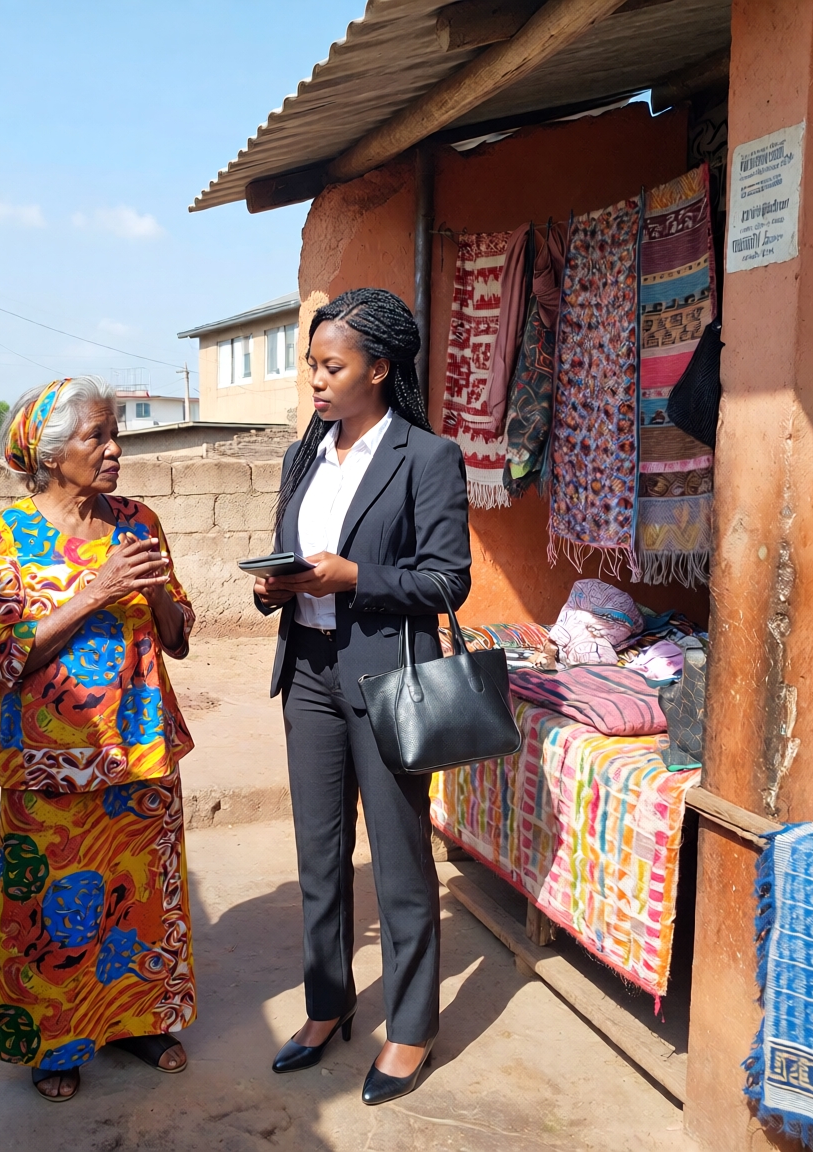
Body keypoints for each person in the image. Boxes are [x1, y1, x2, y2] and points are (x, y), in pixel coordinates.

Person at [254, 288, 472, 1107]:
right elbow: (287, 554)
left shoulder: (426, 457)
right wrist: (276, 590)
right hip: (307, 671)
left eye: (331, 365)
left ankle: (412, 1027)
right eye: (312, 364)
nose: (314, 379)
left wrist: (354, 579)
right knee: (319, 856)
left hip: (388, 680)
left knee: (401, 862)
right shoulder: (304, 455)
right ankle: (326, 1005)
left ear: (379, 369)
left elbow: (448, 579)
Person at [0, 376, 197, 1102]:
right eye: (95, 435)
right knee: (51, 907)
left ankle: (136, 1023)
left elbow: (178, 638)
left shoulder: (140, 520)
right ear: (49, 450)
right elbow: (1, 654)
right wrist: (95, 591)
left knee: (140, 898)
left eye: (113, 432)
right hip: (46, 756)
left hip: (138, 746)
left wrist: (156, 586)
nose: (113, 448)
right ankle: (55, 1041)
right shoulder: (4, 536)